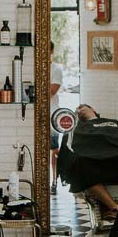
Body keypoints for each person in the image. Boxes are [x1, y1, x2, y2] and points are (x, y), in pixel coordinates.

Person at [59, 104, 118, 219]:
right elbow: (71, 150)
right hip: (95, 161)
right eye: (77, 110)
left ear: (93, 110)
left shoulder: (114, 123)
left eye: (83, 107)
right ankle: (115, 207)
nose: (79, 109)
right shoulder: (76, 129)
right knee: (81, 164)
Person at [49, 41, 64, 194]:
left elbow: (52, 91)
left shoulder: (56, 69)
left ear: (52, 51)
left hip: (52, 114)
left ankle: (54, 182)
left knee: (54, 149)